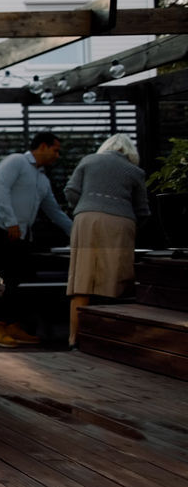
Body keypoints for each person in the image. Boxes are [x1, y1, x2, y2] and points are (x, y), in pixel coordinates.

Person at [0, 131, 72, 345]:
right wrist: (11, 221)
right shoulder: (16, 161)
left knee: (18, 280)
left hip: (18, 237)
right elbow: (0, 189)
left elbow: (54, 211)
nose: (57, 155)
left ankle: (13, 326)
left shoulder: (42, 179)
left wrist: (77, 231)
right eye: (55, 150)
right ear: (43, 147)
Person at [64, 133, 150, 347]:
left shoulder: (89, 160)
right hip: (120, 224)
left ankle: (74, 339)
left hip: (86, 220)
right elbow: (143, 210)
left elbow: (71, 190)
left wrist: (85, 206)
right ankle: (111, 341)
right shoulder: (135, 171)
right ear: (130, 152)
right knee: (115, 280)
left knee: (81, 282)